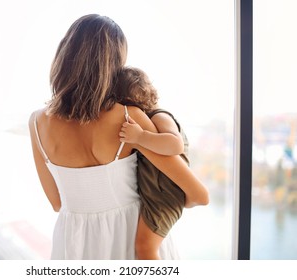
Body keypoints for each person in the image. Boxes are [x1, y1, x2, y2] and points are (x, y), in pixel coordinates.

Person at [29, 14, 209, 260]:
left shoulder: (37, 123)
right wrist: (162, 209)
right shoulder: (128, 118)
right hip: (131, 241)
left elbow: (57, 203)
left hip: (74, 244)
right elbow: (198, 194)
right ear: (114, 64)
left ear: (64, 54)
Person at [115, 66, 190, 259]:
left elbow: (175, 145)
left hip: (166, 192)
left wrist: (140, 137)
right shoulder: (147, 118)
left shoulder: (160, 116)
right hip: (156, 190)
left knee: (145, 248)